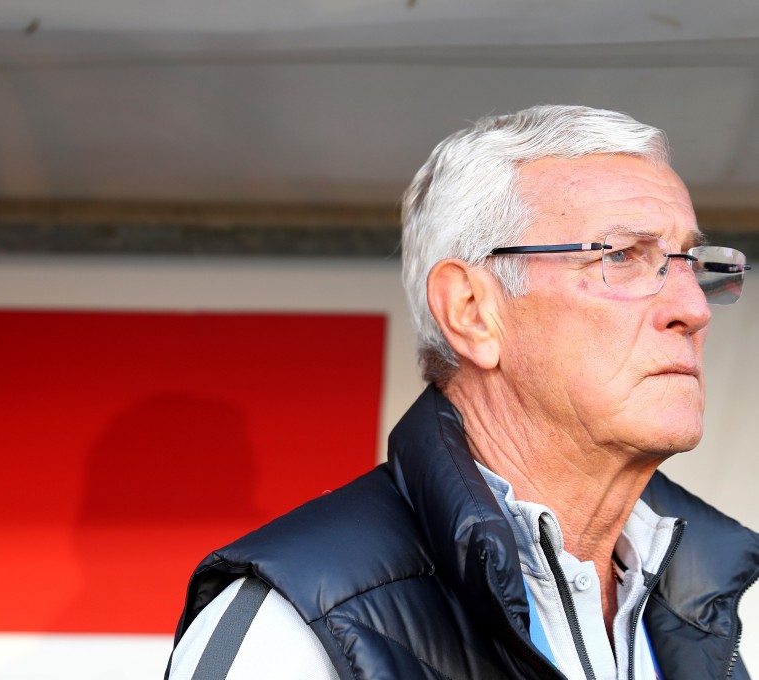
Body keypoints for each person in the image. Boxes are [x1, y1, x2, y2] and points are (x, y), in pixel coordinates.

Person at [164, 105, 759, 680]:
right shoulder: (301, 624)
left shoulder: (695, 611)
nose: (694, 308)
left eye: (690, 263)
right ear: (472, 311)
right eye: (623, 255)